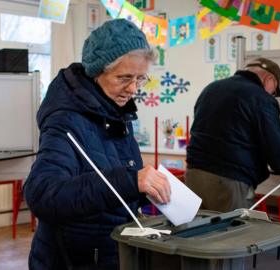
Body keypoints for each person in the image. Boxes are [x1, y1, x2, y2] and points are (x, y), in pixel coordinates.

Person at [23, 19, 171, 270]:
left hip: (107, 253)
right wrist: (130, 181)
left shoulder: (116, 113)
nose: (133, 88)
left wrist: (148, 191)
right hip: (71, 260)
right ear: (96, 72)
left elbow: (110, 183)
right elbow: (42, 193)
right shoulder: (66, 120)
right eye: (124, 77)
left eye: (140, 78)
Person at [185, 57, 280, 213]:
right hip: (229, 181)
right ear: (269, 79)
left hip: (194, 175)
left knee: (200, 234)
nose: (273, 94)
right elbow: (275, 147)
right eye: (275, 90)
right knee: (234, 234)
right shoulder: (261, 98)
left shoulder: (211, 88)